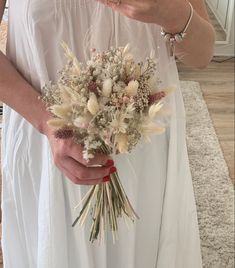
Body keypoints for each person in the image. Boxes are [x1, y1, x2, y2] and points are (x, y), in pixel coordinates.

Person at [0, 0, 215, 267]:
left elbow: (203, 53)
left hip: (143, 148)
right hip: (47, 146)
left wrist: (170, 13)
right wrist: (47, 121)